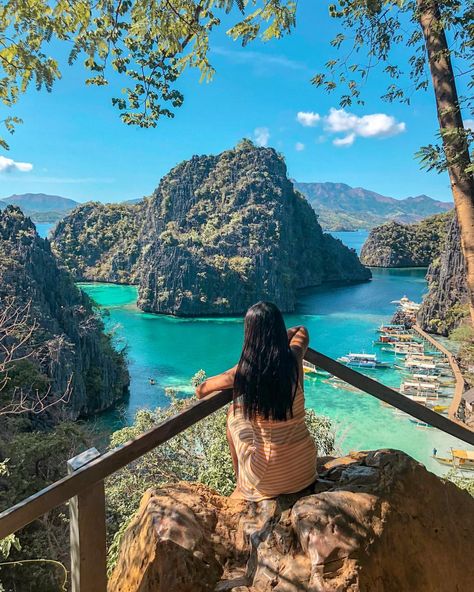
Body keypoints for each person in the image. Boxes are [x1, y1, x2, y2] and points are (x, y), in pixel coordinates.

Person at [196, 301, 317, 501]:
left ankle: (241, 483)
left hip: (269, 478)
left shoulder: (243, 373)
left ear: (249, 334)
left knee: (233, 415)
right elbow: (301, 331)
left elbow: (201, 390)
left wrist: (244, 364)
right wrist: (279, 341)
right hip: (305, 467)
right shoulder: (293, 360)